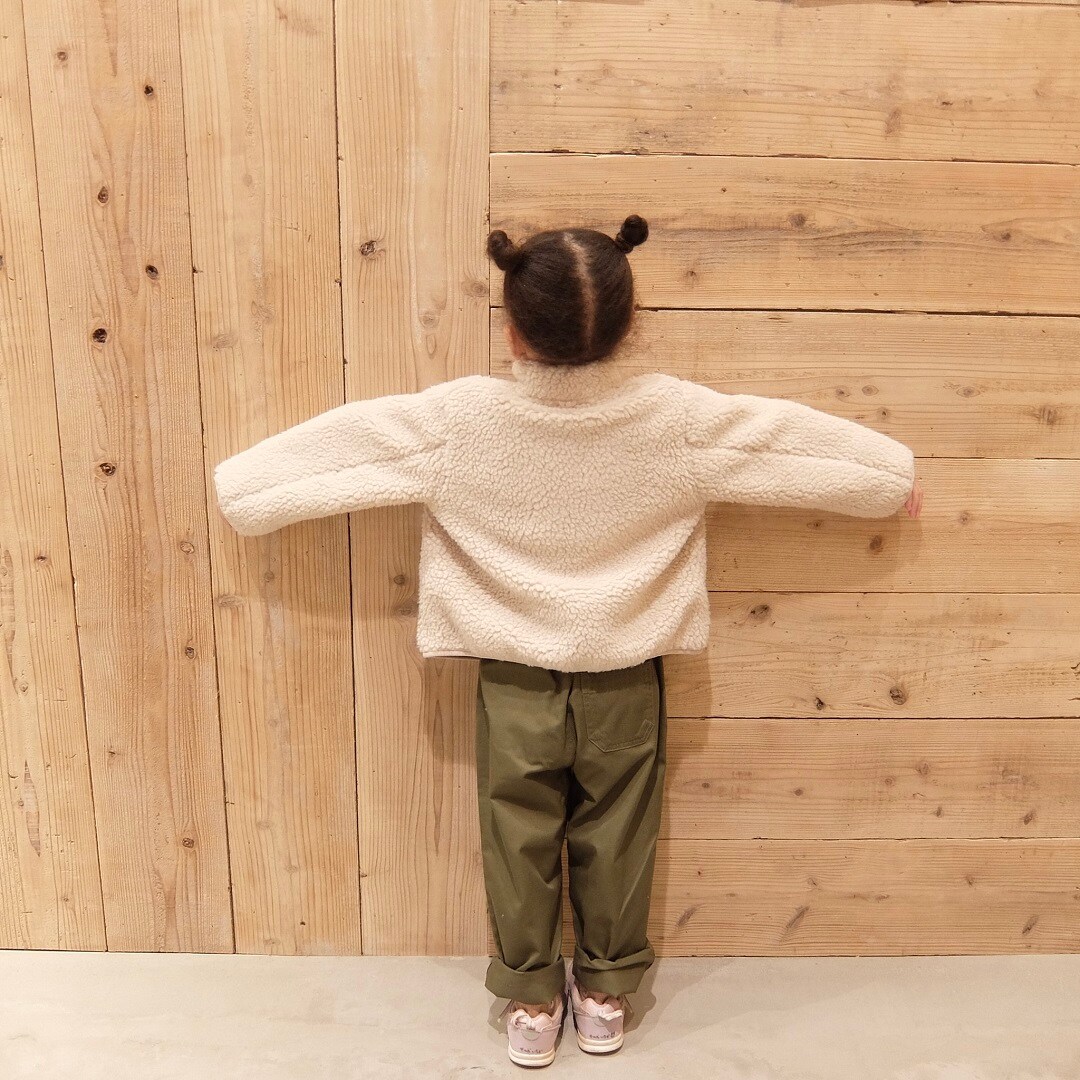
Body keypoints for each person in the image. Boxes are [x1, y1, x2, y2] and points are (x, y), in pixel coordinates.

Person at [213, 214, 922, 1068]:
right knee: (619, 832)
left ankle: (532, 1000)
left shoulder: (458, 420)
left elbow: (322, 457)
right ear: (628, 323)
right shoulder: (677, 418)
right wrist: (891, 480)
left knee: (515, 833)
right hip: (626, 673)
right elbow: (787, 441)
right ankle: (606, 994)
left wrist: (239, 491)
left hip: (514, 677)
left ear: (513, 327)